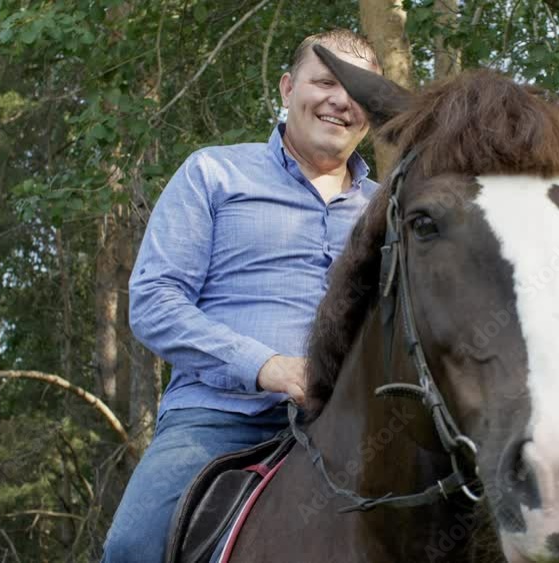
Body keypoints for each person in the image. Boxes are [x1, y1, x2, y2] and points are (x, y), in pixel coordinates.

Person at [101, 29, 382, 563]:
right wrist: (266, 366)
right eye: (325, 81)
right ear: (286, 88)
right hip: (219, 416)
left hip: (357, 427)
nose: (341, 101)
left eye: (358, 91)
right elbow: (155, 300)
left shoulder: (388, 209)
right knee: (133, 547)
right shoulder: (214, 172)